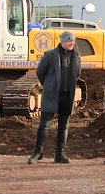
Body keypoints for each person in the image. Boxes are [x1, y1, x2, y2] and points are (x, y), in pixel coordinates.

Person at [28, 31, 81, 165]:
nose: (72, 43)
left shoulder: (76, 56)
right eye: (69, 41)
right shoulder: (50, 55)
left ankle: (59, 154)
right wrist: (48, 85)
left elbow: (78, 73)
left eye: (73, 41)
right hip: (52, 94)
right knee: (44, 125)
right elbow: (40, 72)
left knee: (64, 126)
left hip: (67, 95)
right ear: (62, 42)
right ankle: (37, 153)